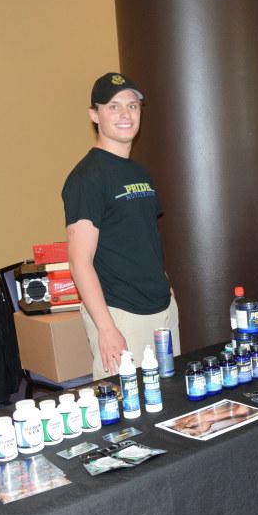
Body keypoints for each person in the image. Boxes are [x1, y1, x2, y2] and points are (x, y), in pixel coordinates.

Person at [62, 72, 180, 380]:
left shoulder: (140, 172)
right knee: (129, 406)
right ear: (94, 115)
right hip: (121, 314)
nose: (125, 114)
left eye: (132, 106)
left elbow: (143, 237)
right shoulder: (86, 178)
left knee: (170, 398)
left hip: (162, 308)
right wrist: (106, 328)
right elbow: (79, 260)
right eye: (113, 106)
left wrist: (164, 284)